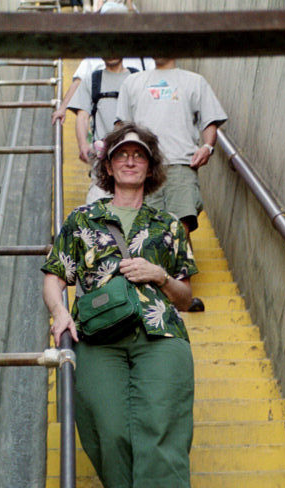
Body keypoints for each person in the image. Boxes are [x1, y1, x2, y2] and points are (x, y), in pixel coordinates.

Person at [42, 122, 198, 488]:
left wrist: (159, 275)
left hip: (160, 336)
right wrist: (59, 312)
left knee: (161, 421)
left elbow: (185, 297)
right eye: (121, 155)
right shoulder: (81, 220)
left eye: (139, 154)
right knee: (108, 429)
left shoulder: (168, 226)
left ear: (151, 167)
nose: (131, 160)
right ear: (108, 167)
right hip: (98, 338)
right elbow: (55, 274)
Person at [116, 58, 227, 310]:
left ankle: (180, 294)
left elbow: (210, 121)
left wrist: (207, 147)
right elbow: (122, 126)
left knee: (180, 227)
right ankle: (158, 294)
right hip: (145, 165)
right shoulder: (133, 82)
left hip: (181, 163)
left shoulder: (194, 81)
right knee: (147, 230)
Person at [67, 57, 137, 203]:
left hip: (133, 157)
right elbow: (82, 116)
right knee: (97, 206)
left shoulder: (136, 78)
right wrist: (83, 144)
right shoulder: (92, 80)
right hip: (102, 160)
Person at [52, 56, 154, 126]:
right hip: (103, 122)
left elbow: (155, 81)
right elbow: (79, 81)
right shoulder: (93, 58)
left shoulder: (142, 57)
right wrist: (62, 109)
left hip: (135, 124)